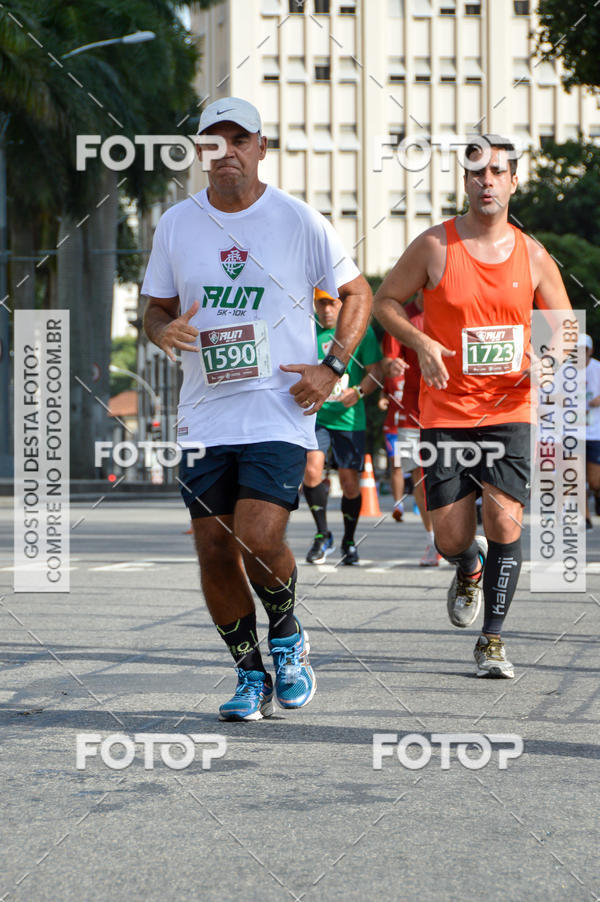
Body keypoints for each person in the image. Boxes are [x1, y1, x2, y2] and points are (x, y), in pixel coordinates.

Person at [142, 97, 372, 719]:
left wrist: (332, 366)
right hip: (204, 414)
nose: (227, 153)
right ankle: (250, 673)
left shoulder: (299, 220)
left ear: (261, 148)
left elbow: (357, 293)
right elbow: (154, 309)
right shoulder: (176, 225)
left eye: (239, 140)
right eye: (214, 143)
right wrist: (163, 331)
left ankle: (288, 638)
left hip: (279, 407)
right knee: (214, 550)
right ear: (201, 154)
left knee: (257, 535)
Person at [374, 134, 572, 678]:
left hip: (510, 410)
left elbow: (563, 328)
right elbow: (385, 302)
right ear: (465, 182)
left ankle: (493, 640)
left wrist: (545, 362)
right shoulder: (434, 246)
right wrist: (421, 343)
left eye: (497, 172)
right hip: (446, 413)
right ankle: (467, 566)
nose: (487, 181)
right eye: (477, 172)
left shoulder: (533, 255)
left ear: (514, 181)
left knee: (504, 521)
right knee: (451, 536)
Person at [303, 288, 383, 565]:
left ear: (341, 305)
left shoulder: (359, 331)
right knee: (311, 471)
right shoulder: (306, 331)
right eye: (321, 304)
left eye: (332, 304)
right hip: (316, 416)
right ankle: (322, 534)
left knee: (350, 483)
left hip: (349, 419)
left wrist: (358, 392)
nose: (326, 310)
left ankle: (349, 541)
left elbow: (376, 371)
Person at [380, 291, 441, 566]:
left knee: (451, 473)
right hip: (411, 412)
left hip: (449, 407)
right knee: (419, 475)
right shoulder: (399, 316)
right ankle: (433, 541)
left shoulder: (452, 308)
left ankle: (456, 537)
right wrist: (392, 365)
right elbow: (387, 362)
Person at [583, 333, 600, 527]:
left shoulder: (597, 368)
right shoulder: (565, 370)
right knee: (576, 478)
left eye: (584, 350)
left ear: (591, 350)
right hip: (572, 433)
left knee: (595, 481)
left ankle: (597, 494)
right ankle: (585, 518)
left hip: (595, 432)